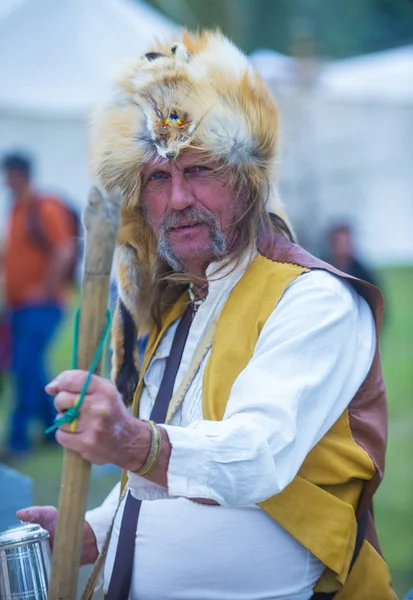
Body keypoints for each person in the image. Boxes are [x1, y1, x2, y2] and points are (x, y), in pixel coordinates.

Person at [18, 32, 397, 599]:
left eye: (199, 170)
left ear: (246, 182)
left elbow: (255, 455)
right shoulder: (176, 310)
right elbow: (154, 483)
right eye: (159, 178)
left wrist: (130, 439)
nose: (176, 200)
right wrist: (94, 530)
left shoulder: (313, 300)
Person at [1, 153, 76, 457]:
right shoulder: (16, 209)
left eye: (7, 174)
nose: (5, 181)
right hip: (19, 306)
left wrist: (44, 289)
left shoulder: (43, 206)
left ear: (19, 174)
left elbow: (65, 249)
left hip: (43, 305)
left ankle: (17, 440)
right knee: (32, 367)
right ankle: (52, 430)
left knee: (24, 366)